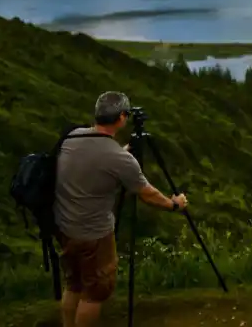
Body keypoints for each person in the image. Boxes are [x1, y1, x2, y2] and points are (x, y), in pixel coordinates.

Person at [54, 91, 189, 327]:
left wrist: (122, 152)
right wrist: (174, 204)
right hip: (94, 235)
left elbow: (95, 160)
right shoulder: (118, 159)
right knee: (94, 293)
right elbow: (147, 194)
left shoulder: (72, 137)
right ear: (122, 118)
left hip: (65, 228)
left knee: (73, 284)